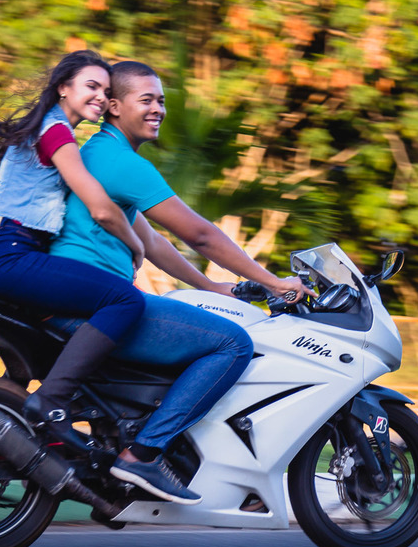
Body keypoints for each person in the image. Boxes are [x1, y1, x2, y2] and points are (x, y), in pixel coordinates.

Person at [48, 59, 309, 505]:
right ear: (113, 105)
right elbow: (200, 233)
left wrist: (209, 286)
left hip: (81, 298)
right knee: (231, 345)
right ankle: (143, 455)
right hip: (93, 304)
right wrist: (272, 283)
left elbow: (153, 241)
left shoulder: (100, 153)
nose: (158, 109)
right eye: (146, 99)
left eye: (162, 101)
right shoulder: (122, 162)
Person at [0, 50, 147, 452]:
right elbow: (100, 208)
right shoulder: (57, 132)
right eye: (91, 86)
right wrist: (136, 244)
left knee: (35, 344)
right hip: (5, 253)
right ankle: (53, 402)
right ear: (63, 87)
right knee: (124, 300)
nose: (100, 97)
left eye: (106, 91)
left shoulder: (48, 129)